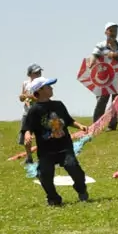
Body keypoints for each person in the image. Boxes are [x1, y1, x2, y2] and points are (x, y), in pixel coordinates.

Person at [22, 77, 91, 206]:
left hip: (64, 146)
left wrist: (80, 126)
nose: (51, 88)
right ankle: (53, 198)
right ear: (40, 90)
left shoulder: (58, 105)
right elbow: (27, 128)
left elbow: (69, 120)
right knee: (45, 175)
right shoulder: (34, 110)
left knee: (74, 168)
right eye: (48, 86)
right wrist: (27, 135)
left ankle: (81, 189)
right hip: (46, 150)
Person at [92, 22, 118, 129]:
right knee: (102, 100)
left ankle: (112, 125)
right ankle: (96, 124)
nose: (114, 33)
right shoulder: (100, 45)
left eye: (115, 30)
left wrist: (114, 54)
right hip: (105, 77)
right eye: (111, 30)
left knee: (117, 101)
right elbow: (94, 57)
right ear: (106, 32)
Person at [18, 63, 43, 147]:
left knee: (42, 135)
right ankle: (29, 157)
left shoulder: (42, 83)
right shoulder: (25, 83)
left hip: (39, 112)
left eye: (39, 72)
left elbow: (40, 97)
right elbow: (22, 97)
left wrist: (29, 96)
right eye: (36, 73)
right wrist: (22, 97)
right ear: (29, 74)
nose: (38, 74)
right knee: (25, 135)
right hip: (27, 112)